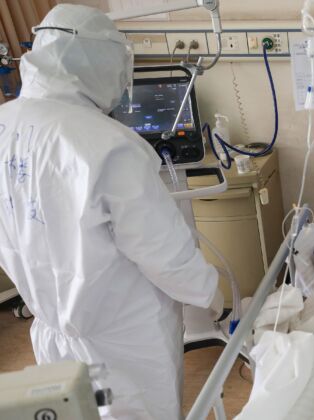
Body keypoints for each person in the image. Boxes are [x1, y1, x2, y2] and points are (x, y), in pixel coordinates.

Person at [0, 5, 223, 419]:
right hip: (125, 342)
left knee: (74, 410)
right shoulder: (107, 145)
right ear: (99, 62)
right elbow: (164, 254)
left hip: (52, 329)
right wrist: (213, 297)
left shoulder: (6, 124)